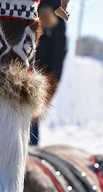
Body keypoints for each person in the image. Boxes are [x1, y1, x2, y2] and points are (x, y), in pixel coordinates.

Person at [30, 0, 67, 145]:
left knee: (31, 122)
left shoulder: (54, 4)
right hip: (14, 64)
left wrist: (52, 82)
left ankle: (30, 159)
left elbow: (59, 48)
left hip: (38, 75)